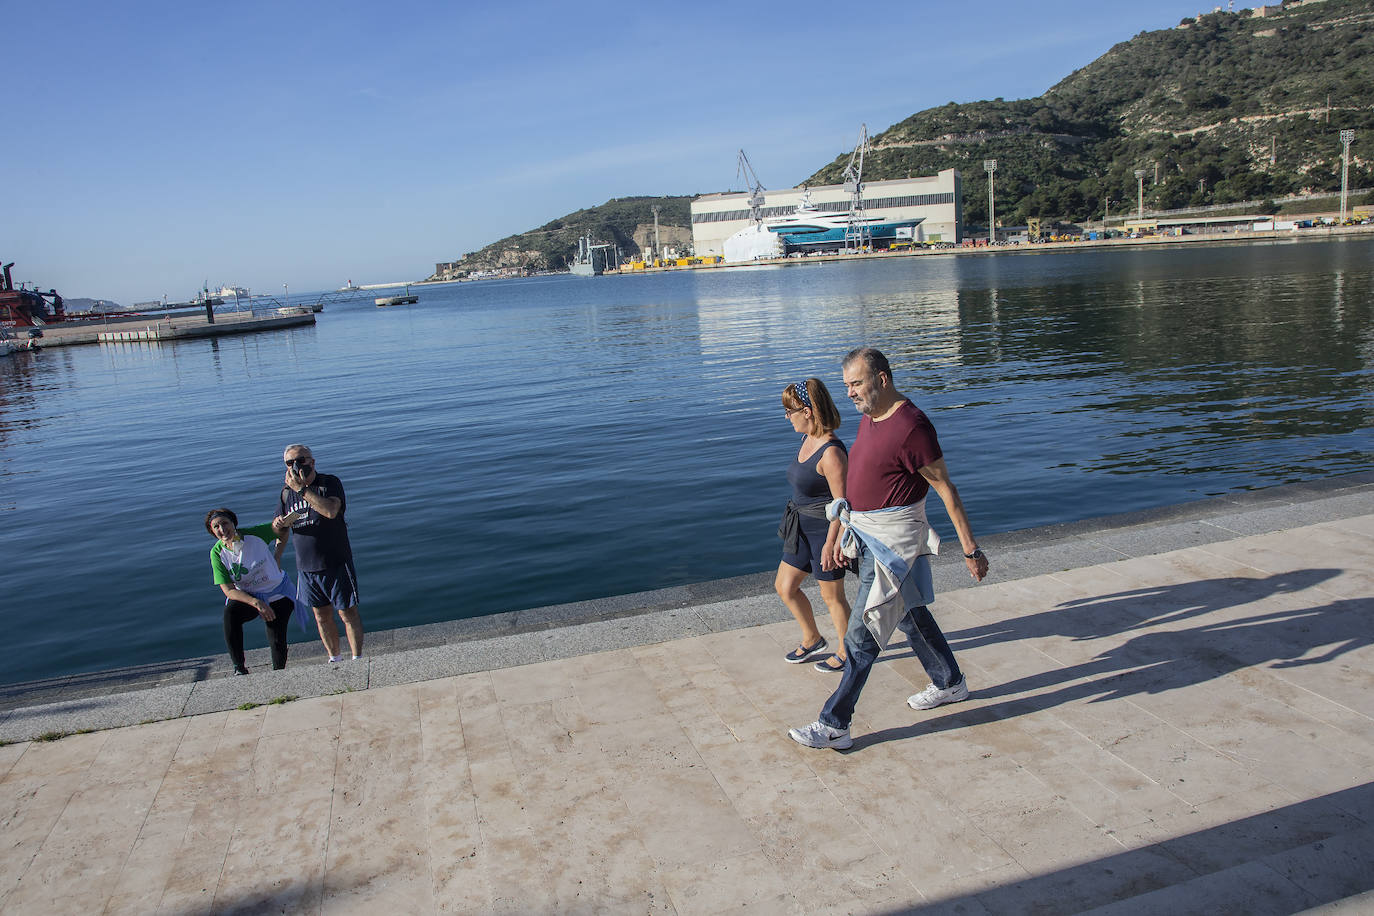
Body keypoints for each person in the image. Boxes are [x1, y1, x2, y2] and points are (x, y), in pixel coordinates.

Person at [789, 347, 990, 750]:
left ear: (882, 379)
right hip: (867, 537)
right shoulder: (871, 416)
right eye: (846, 385)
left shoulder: (912, 426)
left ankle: (835, 724)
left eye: (857, 383)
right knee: (911, 616)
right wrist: (846, 530)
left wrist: (970, 549)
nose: (849, 393)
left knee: (863, 634)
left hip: (893, 546)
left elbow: (945, 489)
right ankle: (950, 682)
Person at [774, 378, 853, 672]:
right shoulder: (807, 439)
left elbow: (844, 504)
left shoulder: (832, 452)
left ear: (807, 411)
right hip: (801, 528)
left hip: (824, 532)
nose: (786, 416)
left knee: (832, 596)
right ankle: (813, 637)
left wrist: (834, 543)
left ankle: (848, 650)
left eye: (789, 410)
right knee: (785, 587)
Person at [272, 444, 364, 663]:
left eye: (300, 460)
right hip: (307, 567)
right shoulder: (286, 494)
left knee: (347, 613)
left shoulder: (328, 483)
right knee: (321, 616)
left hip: (336, 561)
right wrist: (278, 525)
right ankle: (334, 658)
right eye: (290, 463)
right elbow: (280, 529)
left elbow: (331, 511)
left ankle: (357, 659)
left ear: (312, 462)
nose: (295, 466)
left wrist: (303, 490)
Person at [206, 508, 296, 675]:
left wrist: (278, 554)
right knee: (230, 614)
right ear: (212, 531)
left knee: (276, 636)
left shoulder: (254, 535)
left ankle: (278, 674)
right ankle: (239, 668)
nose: (222, 529)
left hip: (276, 591)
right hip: (249, 597)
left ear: (233, 523)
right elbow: (229, 591)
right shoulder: (217, 552)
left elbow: (282, 530)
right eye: (216, 526)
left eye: (225, 523)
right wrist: (256, 602)